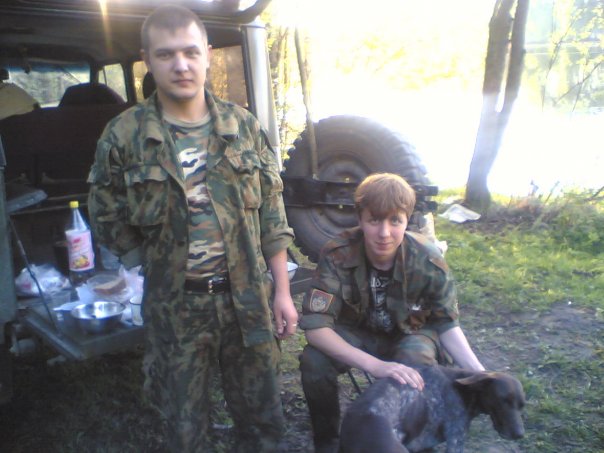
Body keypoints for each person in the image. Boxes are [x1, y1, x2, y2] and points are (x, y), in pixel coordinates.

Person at [87, 5, 298, 452]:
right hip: (176, 308)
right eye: (166, 55)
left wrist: (281, 291)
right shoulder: (124, 135)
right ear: (147, 59)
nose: (180, 65)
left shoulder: (243, 127)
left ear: (207, 55)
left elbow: (272, 216)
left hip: (247, 299)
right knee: (184, 430)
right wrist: (149, 262)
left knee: (263, 424)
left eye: (190, 52)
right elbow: (106, 214)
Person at [299, 173, 484, 453]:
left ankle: (412, 439)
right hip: (358, 333)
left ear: (407, 220)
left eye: (395, 221)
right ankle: (329, 442)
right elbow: (316, 329)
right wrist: (375, 365)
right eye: (374, 220)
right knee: (315, 361)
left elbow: (446, 324)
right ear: (360, 219)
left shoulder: (428, 260)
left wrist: (480, 375)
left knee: (417, 366)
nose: (384, 233)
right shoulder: (338, 254)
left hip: (409, 332)